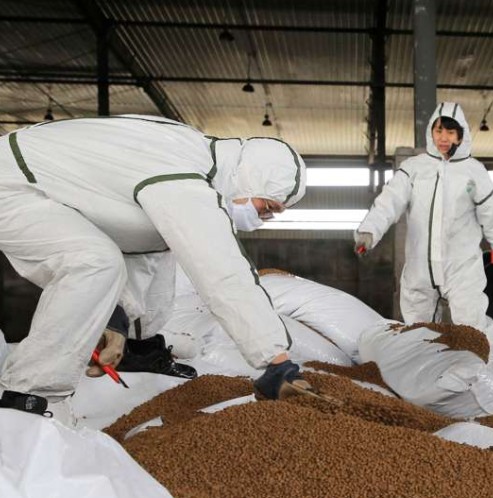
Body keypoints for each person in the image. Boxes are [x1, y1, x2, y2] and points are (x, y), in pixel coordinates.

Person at [0, 115, 313, 420]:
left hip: (49, 189)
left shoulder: (189, 164)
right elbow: (223, 274)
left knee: (152, 252)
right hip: (13, 184)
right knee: (93, 262)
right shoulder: (181, 177)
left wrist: (121, 324)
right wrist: (275, 360)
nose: (265, 218)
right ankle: (29, 397)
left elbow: (143, 251)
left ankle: (135, 351)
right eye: (268, 206)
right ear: (251, 178)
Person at [354, 102, 493, 333]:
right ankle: (425, 370)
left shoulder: (474, 173)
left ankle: (480, 370)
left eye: (450, 132)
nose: (443, 138)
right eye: (438, 131)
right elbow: (389, 202)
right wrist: (369, 231)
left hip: (461, 269)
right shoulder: (414, 169)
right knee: (418, 334)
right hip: (419, 270)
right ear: (431, 132)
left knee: (473, 332)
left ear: (461, 137)